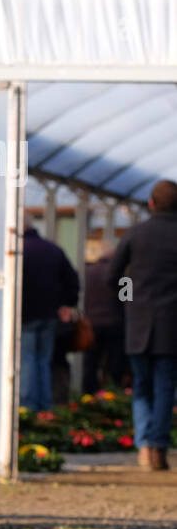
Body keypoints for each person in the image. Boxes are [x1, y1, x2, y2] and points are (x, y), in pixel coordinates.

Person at [107, 179, 177, 471]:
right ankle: (158, 446)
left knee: (141, 387)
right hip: (172, 325)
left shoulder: (135, 234)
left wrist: (130, 297)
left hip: (138, 323)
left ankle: (144, 446)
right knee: (165, 387)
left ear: (151, 203)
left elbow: (114, 277)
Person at [20, 219, 79, 412]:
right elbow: (72, 280)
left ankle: (28, 406)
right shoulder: (53, 250)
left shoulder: (19, 251)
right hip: (49, 315)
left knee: (27, 359)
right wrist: (67, 303)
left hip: (25, 314)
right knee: (44, 361)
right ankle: (45, 405)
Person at [82, 237, 126, 394]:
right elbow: (127, 301)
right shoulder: (124, 275)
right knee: (115, 363)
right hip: (116, 323)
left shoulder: (88, 272)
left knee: (91, 363)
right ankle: (115, 393)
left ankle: (88, 396)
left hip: (93, 323)